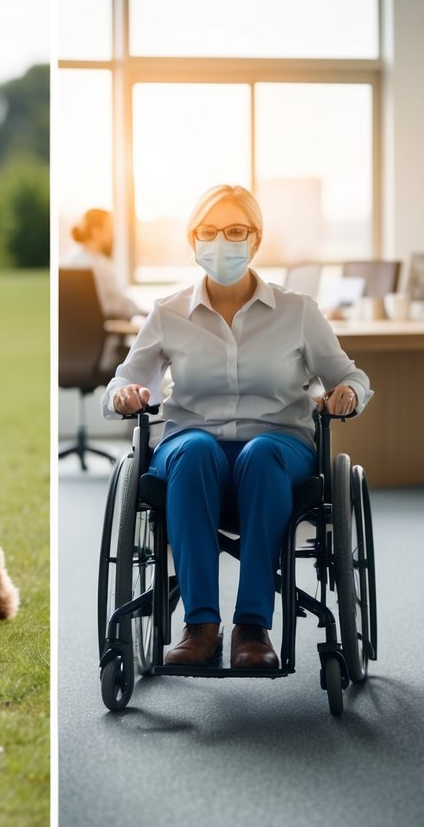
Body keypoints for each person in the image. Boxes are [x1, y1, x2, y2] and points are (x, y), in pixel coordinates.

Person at [100, 184, 371, 669]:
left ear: (256, 239)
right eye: (209, 231)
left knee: (261, 453)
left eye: (235, 231)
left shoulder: (298, 311)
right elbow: (125, 381)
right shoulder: (168, 312)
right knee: (196, 450)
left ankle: (252, 627)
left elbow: (349, 375)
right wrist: (125, 394)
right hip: (192, 452)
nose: (221, 241)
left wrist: (347, 392)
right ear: (193, 239)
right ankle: (200, 626)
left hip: (278, 451)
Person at [63, 208, 145, 321]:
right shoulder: (100, 266)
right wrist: (147, 313)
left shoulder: (69, 262)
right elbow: (121, 305)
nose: (112, 234)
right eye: (109, 229)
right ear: (96, 232)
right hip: (106, 331)